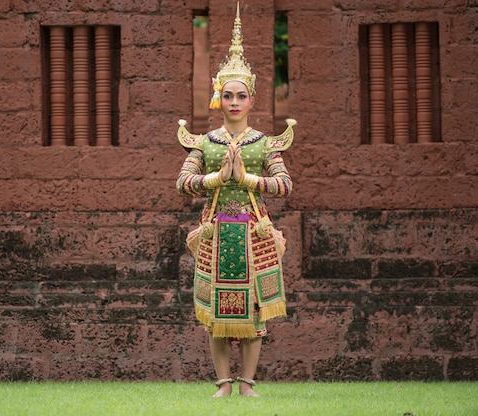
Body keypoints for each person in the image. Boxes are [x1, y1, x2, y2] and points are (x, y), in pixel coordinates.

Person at [176, 2, 296, 398]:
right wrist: (216, 177)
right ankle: (223, 385)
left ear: (251, 99)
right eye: (226, 95)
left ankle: (247, 385)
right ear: (218, 98)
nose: (233, 102)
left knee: (255, 313)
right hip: (215, 233)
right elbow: (184, 181)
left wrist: (248, 178)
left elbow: (284, 184)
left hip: (254, 233)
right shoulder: (205, 143)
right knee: (217, 317)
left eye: (240, 96)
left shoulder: (263, 143)